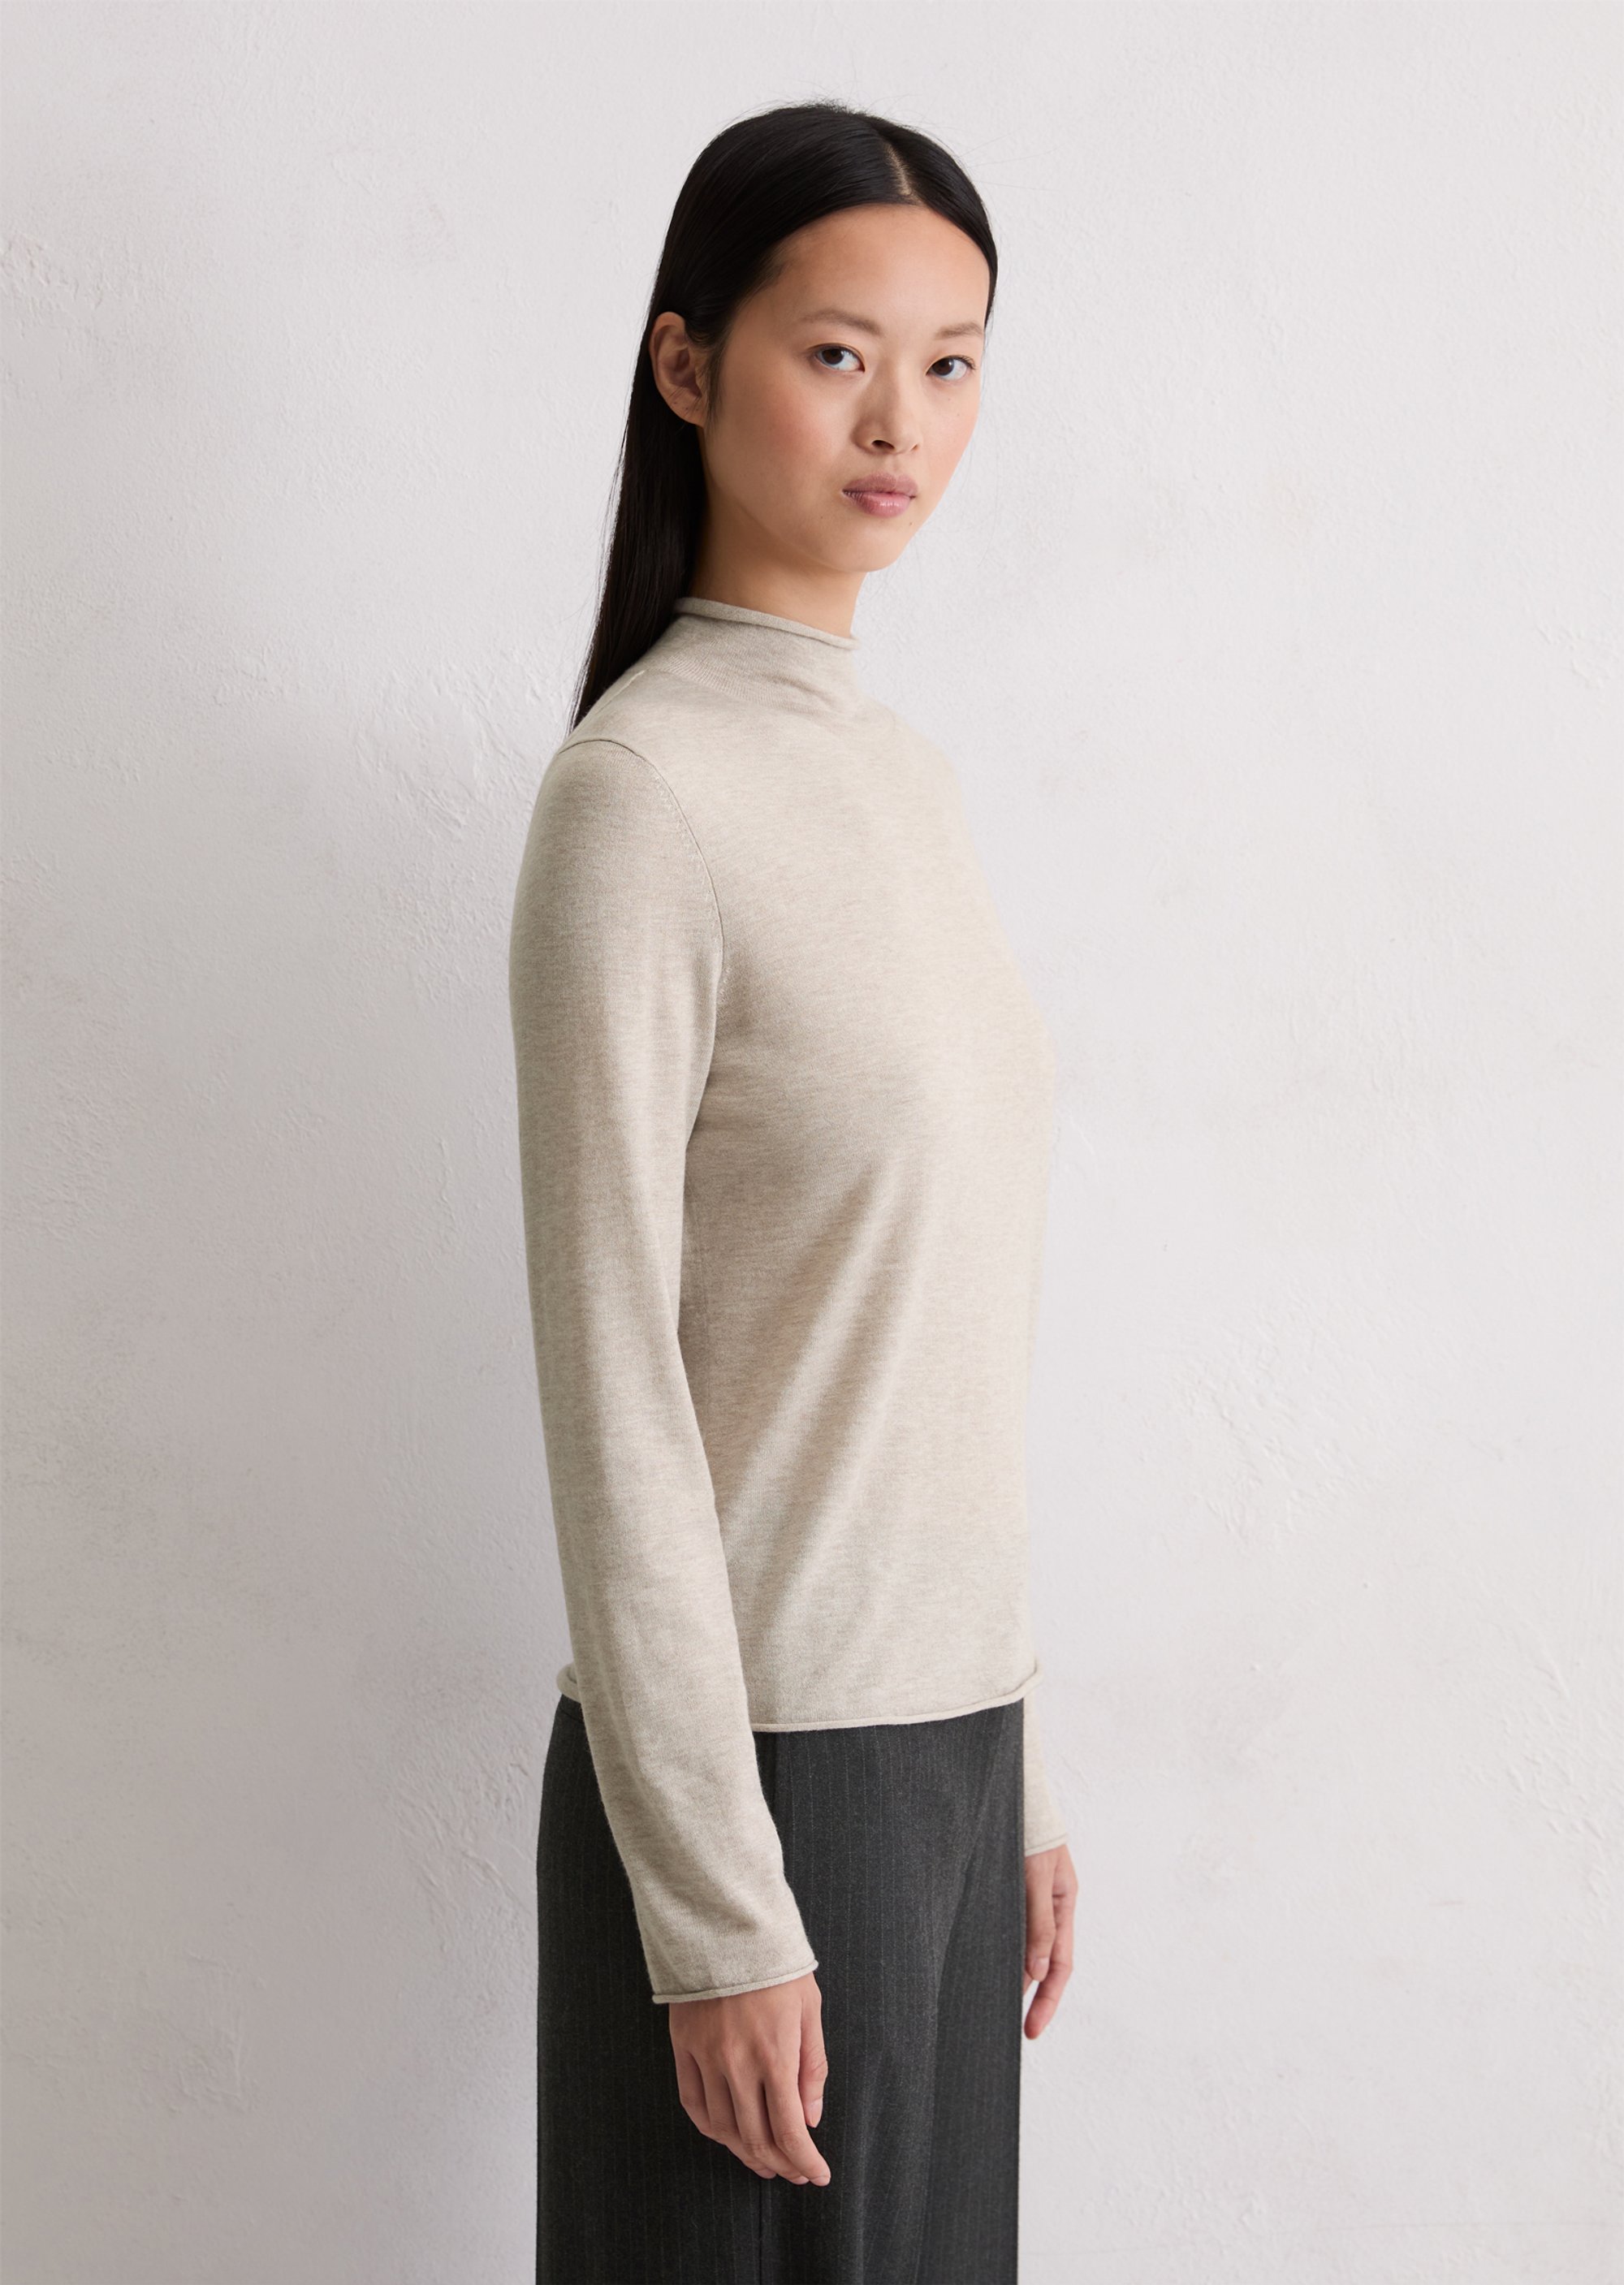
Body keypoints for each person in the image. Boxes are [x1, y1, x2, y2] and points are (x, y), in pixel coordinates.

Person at [508, 98, 1078, 2285]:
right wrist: (720, 1911)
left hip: (946, 1763)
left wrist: (1015, 1767)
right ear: (688, 364)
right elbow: (615, 1384)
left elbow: (932, 1339)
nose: (899, 422)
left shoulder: (905, 784)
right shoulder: (641, 798)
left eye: (951, 364)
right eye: (838, 353)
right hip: (756, 1791)